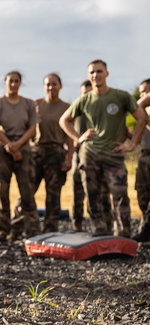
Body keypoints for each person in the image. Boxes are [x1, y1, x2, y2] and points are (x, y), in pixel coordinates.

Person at [60, 59, 148, 236]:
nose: (96, 75)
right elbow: (63, 120)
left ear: (107, 73)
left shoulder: (121, 96)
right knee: (93, 196)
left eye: (99, 71)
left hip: (113, 155)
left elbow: (142, 118)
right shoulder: (84, 100)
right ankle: (100, 232)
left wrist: (132, 144)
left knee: (120, 195)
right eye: (92, 72)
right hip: (90, 155)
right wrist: (79, 137)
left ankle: (123, 233)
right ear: (88, 76)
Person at [13, 73, 72, 235]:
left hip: (57, 152)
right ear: (44, 86)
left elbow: (69, 136)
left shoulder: (66, 108)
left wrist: (69, 158)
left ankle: (50, 230)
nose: (51, 87)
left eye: (54, 84)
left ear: (60, 86)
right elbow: (27, 128)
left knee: (53, 195)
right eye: (48, 84)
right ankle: (16, 228)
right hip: (36, 151)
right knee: (27, 192)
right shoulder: (35, 105)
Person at [0, 71, 39, 241]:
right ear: (5, 83)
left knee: (27, 190)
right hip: (3, 146)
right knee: (2, 190)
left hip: (23, 146)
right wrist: (9, 145)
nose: (13, 84)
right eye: (10, 81)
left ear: (20, 83)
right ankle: (2, 230)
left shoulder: (29, 104)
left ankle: (32, 230)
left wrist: (18, 145)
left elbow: (33, 127)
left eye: (16, 81)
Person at [70, 80, 93, 231]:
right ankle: (76, 224)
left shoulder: (100, 109)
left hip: (95, 157)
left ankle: (97, 225)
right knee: (76, 192)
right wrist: (77, 139)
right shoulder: (75, 110)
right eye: (84, 94)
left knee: (93, 192)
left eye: (89, 93)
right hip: (77, 156)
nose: (86, 96)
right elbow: (63, 126)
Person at [135, 78, 150, 243]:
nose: (142, 95)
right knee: (142, 197)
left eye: (145, 92)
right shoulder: (141, 115)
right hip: (144, 155)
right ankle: (145, 229)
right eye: (140, 93)